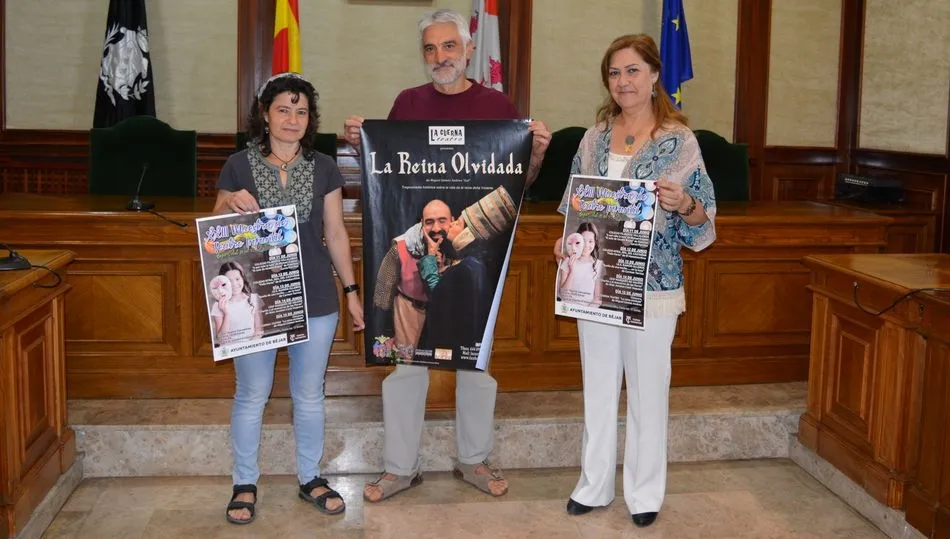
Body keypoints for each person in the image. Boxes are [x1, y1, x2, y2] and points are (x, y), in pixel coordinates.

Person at [343, 8, 551, 501]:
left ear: (469, 49)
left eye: (449, 46)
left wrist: (537, 155)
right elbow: (386, 176)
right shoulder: (406, 104)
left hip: (475, 269)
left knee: (475, 363)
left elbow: (518, 186)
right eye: (430, 49)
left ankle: (474, 461)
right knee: (406, 367)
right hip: (416, 270)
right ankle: (399, 468)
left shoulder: (498, 105)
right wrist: (362, 145)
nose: (440, 57)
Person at [553, 34, 716, 529]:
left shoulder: (680, 141)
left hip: (652, 286)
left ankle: (644, 494)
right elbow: (573, 206)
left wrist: (682, 203)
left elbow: (704, 220)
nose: (623, 81)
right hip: (597, 282)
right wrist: (564, 243)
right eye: (614, 72)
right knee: (598, 387)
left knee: (648, 392)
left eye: (632, 71)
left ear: (653, 76)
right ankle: (594, 484)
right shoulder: (593, 137)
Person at [213, 72, 365, 525]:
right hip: (255, 294)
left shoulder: (325, 167)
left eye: (301, 112)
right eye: (283, 109)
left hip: (316, 292)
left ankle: (311, 478)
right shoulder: (237, 165)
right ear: (265, 114)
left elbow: (335, 232)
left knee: (309, 393)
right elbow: (216, 229)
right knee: (252, 393)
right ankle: (244, 483)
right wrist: (228, 203)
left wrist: (352, 292)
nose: (292, 119)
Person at [210, 262, 263, 346]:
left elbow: (258, 331)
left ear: (243, 279)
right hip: (230, 352)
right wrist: (226, 314)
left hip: (251, 348)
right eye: (229, 281)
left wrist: (247, 348)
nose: (234, 284)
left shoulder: (253, 299)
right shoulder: (218, 305)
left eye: (237, 279)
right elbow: (222, 339)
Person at [557, 223, 604, 307]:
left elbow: (597, 299)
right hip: (568, 310)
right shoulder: (568, 261)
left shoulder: (599, 265)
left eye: (590, 241)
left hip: (588, 313)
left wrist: (585, 312)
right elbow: (563, 294)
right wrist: (571, 272)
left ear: (595, 242)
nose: (586, 245)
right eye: (583, 240)